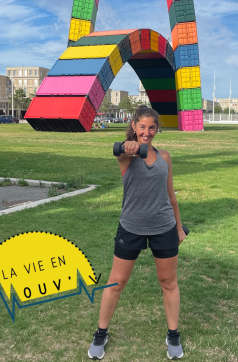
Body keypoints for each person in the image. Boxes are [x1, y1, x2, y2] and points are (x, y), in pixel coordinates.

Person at [88, 105, 186, 360]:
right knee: (116, 283)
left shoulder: (164, 156)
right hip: (131, 226)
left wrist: (178, 228)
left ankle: (173, 334)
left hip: (163, 226)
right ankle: (101, 332)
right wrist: (128, 146)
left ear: (157, 129)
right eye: (142, 127)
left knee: (168, 282)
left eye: (151, 127)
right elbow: (123, 151)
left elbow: (171, 195)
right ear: (134, 126)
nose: (147, 132)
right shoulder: (127, 155)